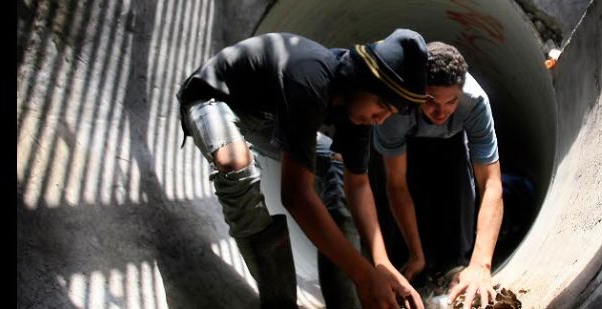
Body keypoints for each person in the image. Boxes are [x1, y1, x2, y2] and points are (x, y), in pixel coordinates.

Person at [176, 29, 428, 308]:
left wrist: (381, 263)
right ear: (362, 80)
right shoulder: (310, 76)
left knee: (336, 161)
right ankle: (279, 301)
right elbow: (296, 196)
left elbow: (357, 184)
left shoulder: (358, 111)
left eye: (389, 113)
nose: (380, 120)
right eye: (381, 106)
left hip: (268, 120)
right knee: (236, 166)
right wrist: (365, 276)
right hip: (214, 98)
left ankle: (344, 302)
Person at [371, 41, 505, 308]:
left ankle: (454, 263)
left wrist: (481, 263)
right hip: (403, 144)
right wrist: (415, 253)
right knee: (392, 186)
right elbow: (396, 185)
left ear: (460, 93)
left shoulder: (475, 103)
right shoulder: (396, 108)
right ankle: (410, 267)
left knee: (456, 177)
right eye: (431, 101)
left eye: (451, 101)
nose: (441, 111)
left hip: (451, 144)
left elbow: (490, 182)